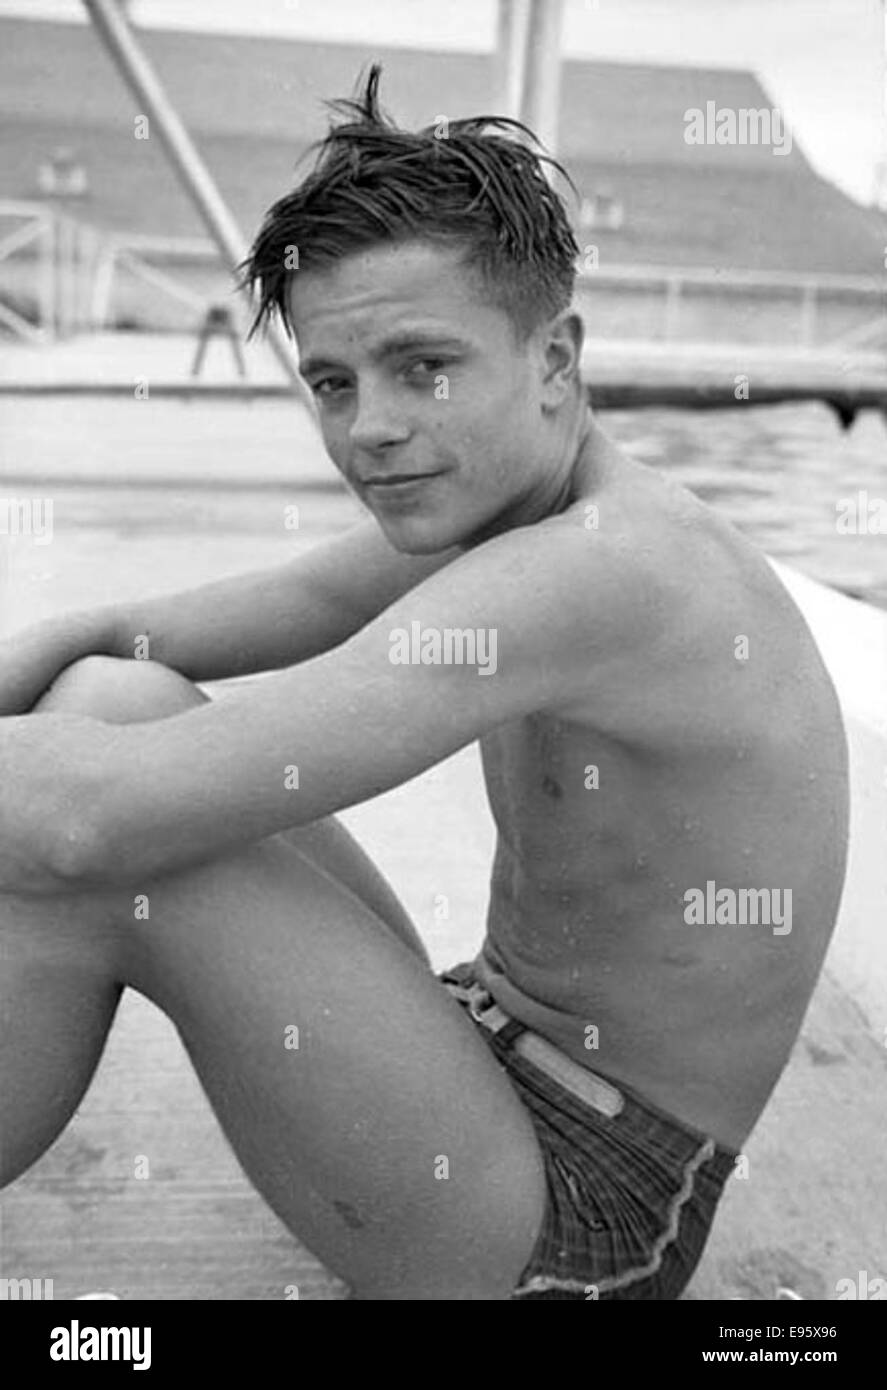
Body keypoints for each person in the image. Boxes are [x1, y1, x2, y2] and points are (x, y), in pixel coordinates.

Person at [0, 67, 848, 1300]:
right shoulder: (501, 506)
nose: (369, 431)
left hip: (584, 1213)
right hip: (490, 1056)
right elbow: (151, 633)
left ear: (553, 357)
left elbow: (84, 821)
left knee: (94, 849)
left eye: (422, 366)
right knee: (109, 699)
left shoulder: (610, 571)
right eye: (333, 383)